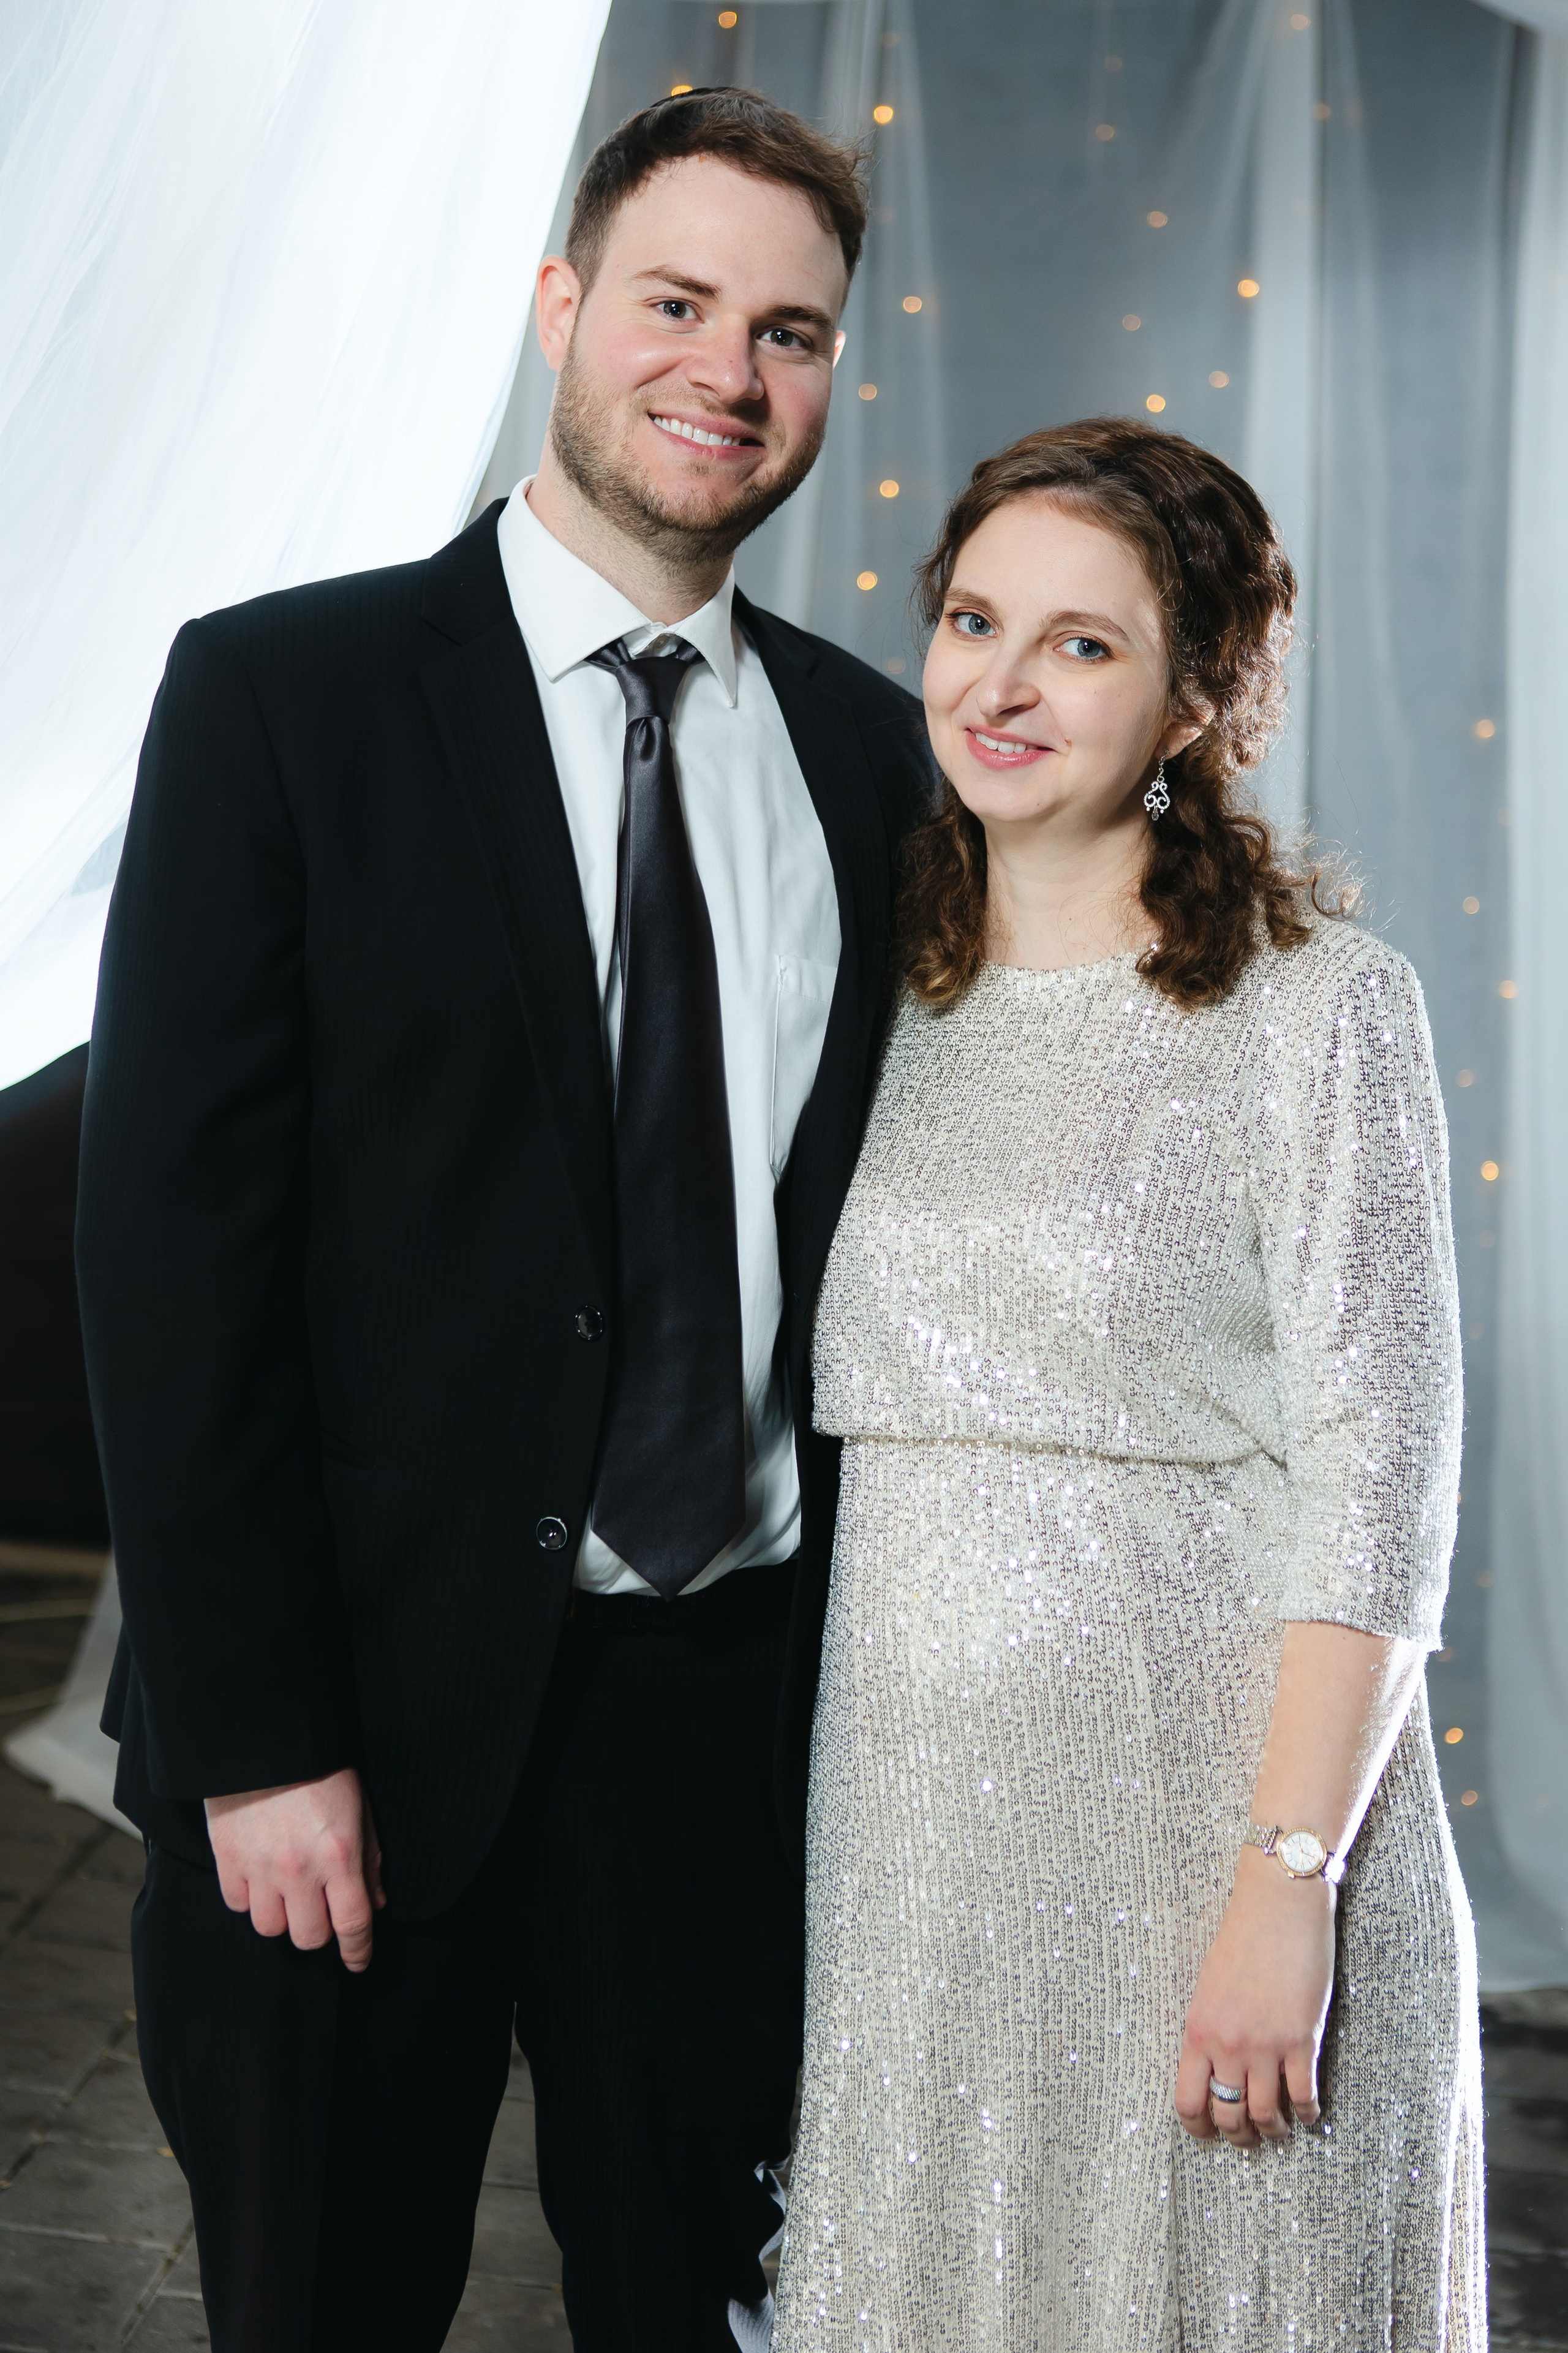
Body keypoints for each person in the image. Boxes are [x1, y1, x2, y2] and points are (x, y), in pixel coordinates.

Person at [75, 88, 929, 2353]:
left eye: (792, 331)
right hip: (349, 1726)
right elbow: (175, 1260)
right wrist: (260, 1733)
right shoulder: (286, 698)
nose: (728, 373)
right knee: (331, 2308)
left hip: (716, 1725)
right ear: (560, 308)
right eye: (675, 302)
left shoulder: (874, 760)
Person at [770, 420, 1481, 2349]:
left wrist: (1288, 1885)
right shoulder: (870, 984)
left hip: (1208, 1829)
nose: (1000, 684)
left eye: (1082, 645)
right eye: (976, 620)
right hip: (915, 1833)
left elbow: (1384, 1464)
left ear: (1193, 701)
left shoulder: (1321, 1004)